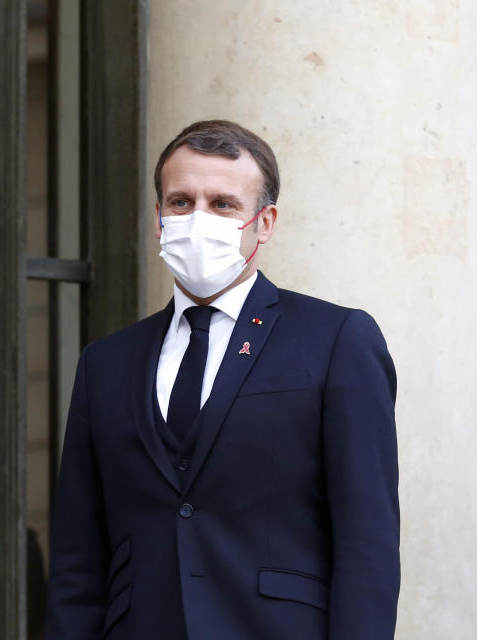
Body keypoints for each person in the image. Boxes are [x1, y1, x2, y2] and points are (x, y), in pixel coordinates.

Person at [45, 120, 399, 639]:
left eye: (223, 204)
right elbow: (79, 558)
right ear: (159, 217)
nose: (198, 218)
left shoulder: (337, 340)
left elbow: (367, 544)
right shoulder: (107, 363)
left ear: (265, 221)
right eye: (181, 202)